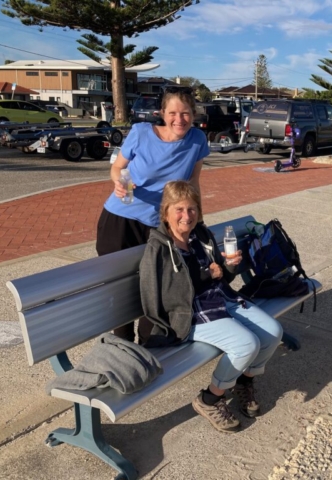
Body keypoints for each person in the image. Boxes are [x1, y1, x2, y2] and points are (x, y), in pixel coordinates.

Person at [139, 181, 283, 433]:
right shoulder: (159, 248)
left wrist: (228, 267)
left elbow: (222, 277)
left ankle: (243, 382)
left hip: (222, 300)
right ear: (166, 213)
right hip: (191, 314)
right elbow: (160, 295)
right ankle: (210, 399)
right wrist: (207, 275)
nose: (187, 216)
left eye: (192, 209)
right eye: (179, 209)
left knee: (273, 331)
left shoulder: (200, 236)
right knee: (246, 344)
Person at [96, 88, 209, 343]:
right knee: (120, 288)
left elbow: (193, 182)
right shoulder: (141, 132)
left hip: (158, 226)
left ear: (193, 114)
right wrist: (120, 183)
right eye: (172, 113)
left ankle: (148, 344)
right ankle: (122, 346)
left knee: (155, 285)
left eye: (185, 113)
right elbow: (117, 168)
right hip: (120, 219)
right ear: (162, 113)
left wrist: (197, 219)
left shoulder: (197, 140)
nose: (179, 119)